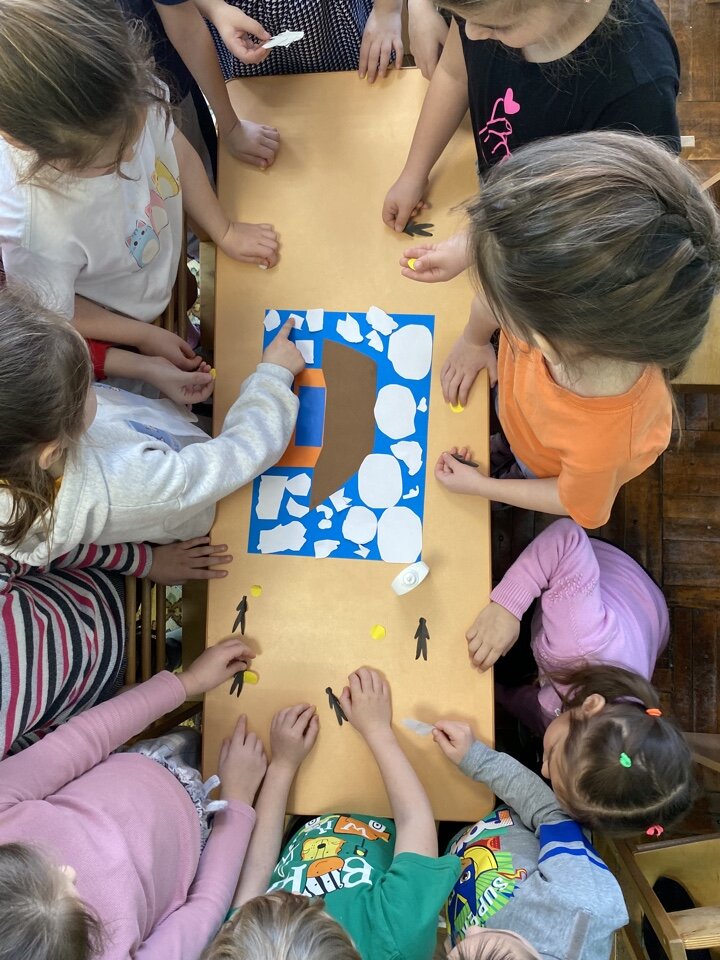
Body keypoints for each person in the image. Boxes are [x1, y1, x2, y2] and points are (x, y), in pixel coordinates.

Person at [431, 132, 720, 526]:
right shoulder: (567, 313)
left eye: (498, 296)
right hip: (523, 422)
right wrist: (472, 340)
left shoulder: (605, 444)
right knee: (507, 440)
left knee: (521, 468)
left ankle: (512, 463)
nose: (489, 298)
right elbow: (495, 302)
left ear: (542, 341)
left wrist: (482, 486)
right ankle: (508, 447)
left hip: (542, 468)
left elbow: (571, 501)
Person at [0, 0, 279, 402]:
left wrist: (224, 230)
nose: (133, 152)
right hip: (120, 331)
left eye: (137, 128)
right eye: (110, 161)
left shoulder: (126, 92)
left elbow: (175, 150)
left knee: (191, 323)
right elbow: (56, 312)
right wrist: (142, 335)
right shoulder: (32, 227)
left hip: (155, 285)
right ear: (26, 145)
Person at [0, 637, 267, 960]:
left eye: (43, 864)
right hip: (208, 827)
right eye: (75, 900)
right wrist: (238, 798)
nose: (69, 871)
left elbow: (79, 741)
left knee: (214, 726)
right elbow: (204, 909)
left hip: (145, 759)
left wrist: (188, 683)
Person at [0, 289, 303, 566]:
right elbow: (243, 453)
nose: (94, 385)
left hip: (190, 450)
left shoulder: (29, 436)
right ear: (51, 450)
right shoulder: (128, 483)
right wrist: (274, 377)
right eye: (86, 385)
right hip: (231, 502)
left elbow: (107, 419)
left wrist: (162, 399)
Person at [203, 667, 462, 960]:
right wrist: (378, 731)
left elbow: (256, 870)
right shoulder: (399, 938)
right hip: (388, 812)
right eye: (305, 902)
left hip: (308, 815)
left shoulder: (245, 942)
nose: (301, 894)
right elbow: (414, 819)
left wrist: (282, 766)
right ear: (348, 943)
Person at [384, 0, 681, 231]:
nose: (471, 33)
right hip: (503, 197)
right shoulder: (488, 10)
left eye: (499, 26)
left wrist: (486, 244)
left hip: (562, 231)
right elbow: (454, 74)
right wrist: (414, 173)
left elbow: (618, 215)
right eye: (462, 18)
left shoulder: (639, 86)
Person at [0, 535, 231, 758]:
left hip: (106, 580)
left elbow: (35, 551)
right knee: (163, 659)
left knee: (199, 543)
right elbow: (38, 751)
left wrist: (145, 561)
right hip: (108, 687)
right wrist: (112, 711)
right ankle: (174, 648)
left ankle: (173, 646)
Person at [433, 719, 629, 958]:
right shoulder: (573, 901)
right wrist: (477, 758)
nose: (472, 930)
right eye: (494, 940)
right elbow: (551, 813)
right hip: (501, 797)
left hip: (446, 855)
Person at [466, 518, 670, 736]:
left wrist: (495, 691)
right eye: (553, 749)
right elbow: (567, 538)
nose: (545, 758)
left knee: (503, 666)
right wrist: (508, 607)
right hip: (609, 564)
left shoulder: (625, 724)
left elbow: (540, 711)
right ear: (591, 705)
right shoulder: (580, 639)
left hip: (655, 622)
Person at [117, 0, 280, 174]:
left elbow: (186, 28)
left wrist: (231, 127)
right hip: (116, 116)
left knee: (197, 166)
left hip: (176, 101)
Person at [198, 0, 404, 84]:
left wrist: (387, 10)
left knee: (355, 87)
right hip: (240, 20)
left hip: (331, 23)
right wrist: (216, 9)